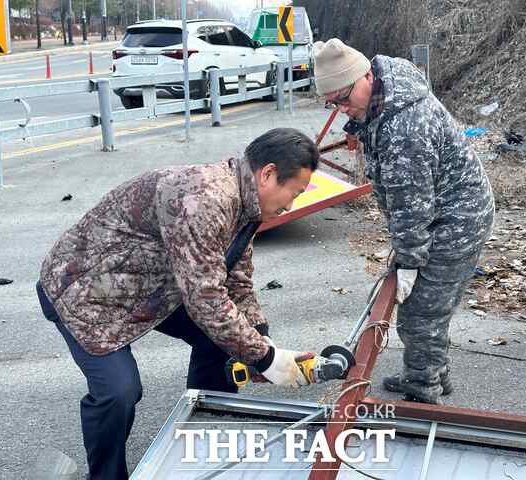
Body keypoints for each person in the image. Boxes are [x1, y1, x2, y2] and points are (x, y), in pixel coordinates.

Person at [36, 128, 319, 479]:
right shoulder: (204, 198)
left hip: (150, 286)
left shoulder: (244, 205)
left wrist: (262, 343)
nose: (291, 205)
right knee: (119, 392)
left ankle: (205, 438)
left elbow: (237, 281)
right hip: (86, 291)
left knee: (224, 341)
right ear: (268, 174)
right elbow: (205, 299)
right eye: (294, 192)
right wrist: (265, 358)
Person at [313, 39, 494, 405]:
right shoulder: (383, 97)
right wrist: (404, 249)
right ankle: (430, 374)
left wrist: (409, 259)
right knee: (430, 305)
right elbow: (405, 200)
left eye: (344, 98)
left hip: (456, 220)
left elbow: (412, 206)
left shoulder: (405, 128)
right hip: (439, 213)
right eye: (333, 104)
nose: (343, 109)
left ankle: (423, 394)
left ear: (366, 75)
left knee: (421, 312)